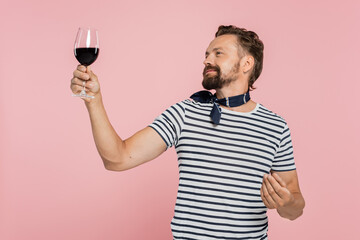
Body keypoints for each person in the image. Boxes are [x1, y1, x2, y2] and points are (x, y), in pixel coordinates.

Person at [70, 25, 305, 240]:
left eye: (218, 53)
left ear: (246, 64)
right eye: (206, 54)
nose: (207, 60)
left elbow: (295, 206)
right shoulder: (185, 113)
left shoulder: (275, 126)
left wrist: (285, 203)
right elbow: (117, 159)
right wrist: (93, 100)